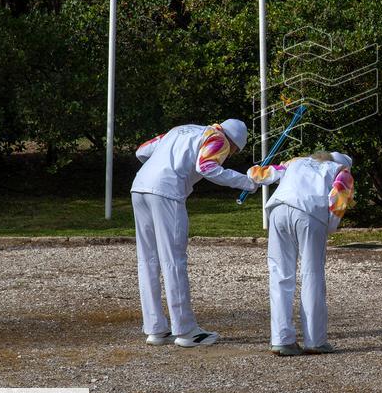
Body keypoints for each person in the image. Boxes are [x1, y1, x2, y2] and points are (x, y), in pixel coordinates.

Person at [131, 119, 259, 348]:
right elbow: (207, 167)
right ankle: (186, 330)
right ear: (234, 143)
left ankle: (155, 329)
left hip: (139, 186)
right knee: (173, 260)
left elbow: (142, 151)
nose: (228, 155)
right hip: (167, 191)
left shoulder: (180, 130)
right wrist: (246, 182)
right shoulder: (217, 138)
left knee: (148, 260)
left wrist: (165, 163)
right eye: (234, 151)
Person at [249, 151, 355, 356]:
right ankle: (315, 340)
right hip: (309, 212)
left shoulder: (295, 163)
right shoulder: (342, 172)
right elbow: (337, 201)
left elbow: (257, 174)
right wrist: (329, 226)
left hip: (278, 209)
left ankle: (281, 339)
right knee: (312, 274)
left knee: (279, 274)